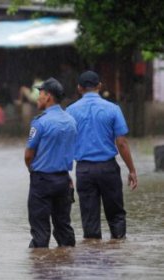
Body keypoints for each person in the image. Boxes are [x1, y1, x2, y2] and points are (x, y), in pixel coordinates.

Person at [66, 70, 138, 240]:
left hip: (84, 170)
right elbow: (121, 143)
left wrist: (65, 172)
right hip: (108, 169)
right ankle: (118, 251)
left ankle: (92, 258)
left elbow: (66, 144)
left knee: (89, 219)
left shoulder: (70, 111)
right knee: (116, 215)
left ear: (79, 88)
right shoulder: (113, 109)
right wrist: (132, 170)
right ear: (99, 86)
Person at [24, 77, 77, 248]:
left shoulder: (40, 122)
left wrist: (33, 171)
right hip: (64, 180)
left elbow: (28, 155)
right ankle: (67, 266)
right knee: (64, 228)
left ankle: (41, 269)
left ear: (48, 97)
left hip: (42, 181)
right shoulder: (71, 121)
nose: (37, 98)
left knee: (40, 231)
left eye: (40, 94)